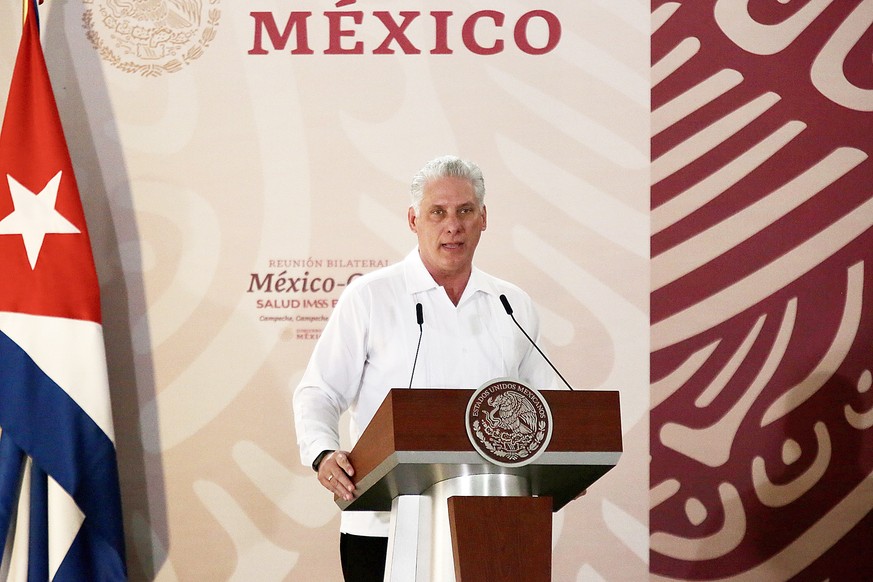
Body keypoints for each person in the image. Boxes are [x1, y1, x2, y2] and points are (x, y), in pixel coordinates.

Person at [293, 155, 558, 582]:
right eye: (438, 212)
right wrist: (323, 454)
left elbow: (549, 405)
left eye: (465, 211)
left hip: (493, 523)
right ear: (414, 220)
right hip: (384, 525)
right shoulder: (371, 297)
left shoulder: (511, 305)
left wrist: (566, 461)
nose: (453, 225)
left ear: (484, 218)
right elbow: (319, 392)